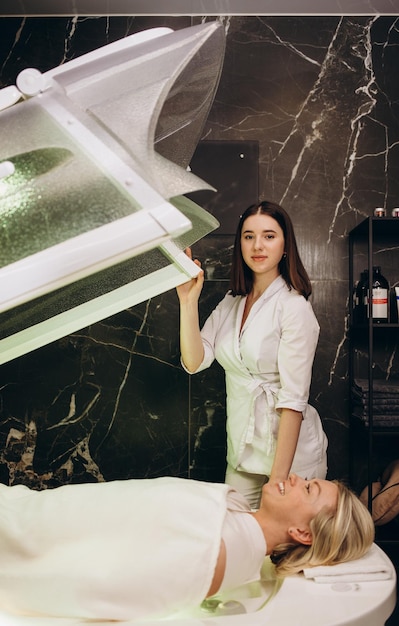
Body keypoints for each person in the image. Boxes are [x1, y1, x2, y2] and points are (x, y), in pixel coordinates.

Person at [0, 473, 374, 621]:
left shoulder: (218, 554)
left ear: (302, 533)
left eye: (308, 489)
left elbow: (106, 581)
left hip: (26, 542)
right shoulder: (237, 521)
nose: (296, 477)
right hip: (36, 515)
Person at [177, 200, 328, 508]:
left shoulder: (294, 307)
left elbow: (294, 401)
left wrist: (278, 480)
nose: (257, 245)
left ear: (285, 245)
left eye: (269, 236)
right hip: (243, 451)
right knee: (238, 539)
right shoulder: (232, 303)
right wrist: (187, 300)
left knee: (289, 552)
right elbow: (194, 362)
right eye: (248, 236)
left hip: (292, 461)